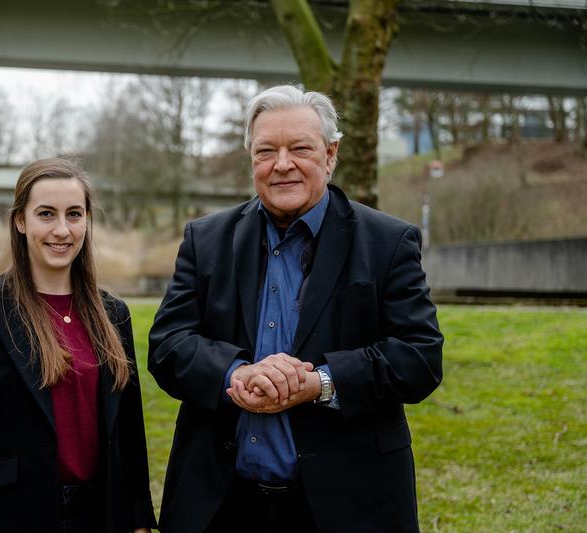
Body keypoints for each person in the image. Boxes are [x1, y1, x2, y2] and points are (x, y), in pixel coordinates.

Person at [148, 85, 444, 532]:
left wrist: (320, 383)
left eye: (300, 148)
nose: (282, 164)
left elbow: (419, 357)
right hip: (222, 504)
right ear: (252, 159)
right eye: (266, 150)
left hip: (347, 506)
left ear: (330, 154)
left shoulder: (387, 242)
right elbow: (168, 346)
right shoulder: (206, 240)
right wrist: (236, 373)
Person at [0, 158, 157, 533]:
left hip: (101, 515)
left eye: (74, 214)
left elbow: (130, 435)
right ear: (20, 221)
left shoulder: (113, 314)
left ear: (87, 220)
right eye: (46, 214)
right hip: (14, 516)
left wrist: (138, 519)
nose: (62, 230)